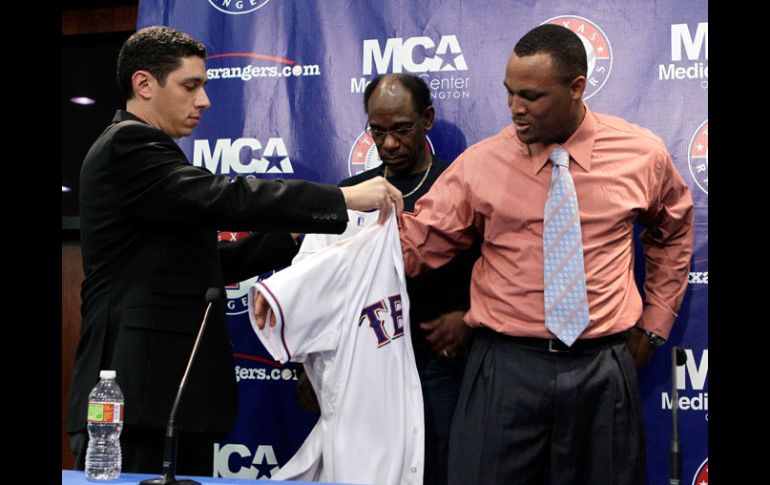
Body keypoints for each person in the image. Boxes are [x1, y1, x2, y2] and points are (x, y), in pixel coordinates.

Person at [65, 25, 402, 477]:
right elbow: (227, 197)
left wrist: (290, 239)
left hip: (171, 398)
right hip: (135, 398)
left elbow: (200, 267)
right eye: (190, 86)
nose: (204, 100)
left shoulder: (153, 155)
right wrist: (340, 199)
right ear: (144, 84)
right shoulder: (128, 147)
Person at [397, 24, 694, 485]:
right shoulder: (480, 164)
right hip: (504, 370)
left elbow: (672, 231)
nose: (515, 108)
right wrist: (324, 229)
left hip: (603, 370)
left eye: (531, 96)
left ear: (577, 88)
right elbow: (413, 245)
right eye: (510, 93)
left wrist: (655, 324)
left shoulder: (641, 154)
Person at [340, 74, 479, 485]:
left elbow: (500, 267)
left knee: (441, 468)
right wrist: (311, 371)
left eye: (402, 129)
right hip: (367, 363)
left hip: (442, 362)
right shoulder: (351, 193)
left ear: (428, 119)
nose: (388, 144)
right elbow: (332, 287)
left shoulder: (459, 186)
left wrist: (469, 318)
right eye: (377, 131)